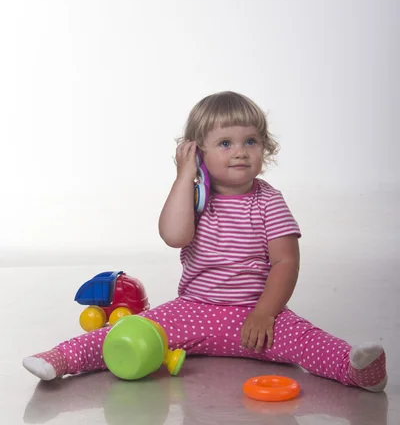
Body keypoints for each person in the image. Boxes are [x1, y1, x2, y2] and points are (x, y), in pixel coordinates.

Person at [22, 91, 387, 392]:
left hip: (255, 313)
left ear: (265, 148)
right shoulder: (195, 199)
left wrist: (265, 313)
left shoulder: (269, 201)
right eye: (225, 143)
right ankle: (63, 358)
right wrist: (185, 177)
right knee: (129, 330)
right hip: (193, 309)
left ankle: (358, 370)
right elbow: (173, 236)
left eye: (251, 141)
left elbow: (285, 263)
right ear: (198, 153)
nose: (241, 151)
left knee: (308, 341)